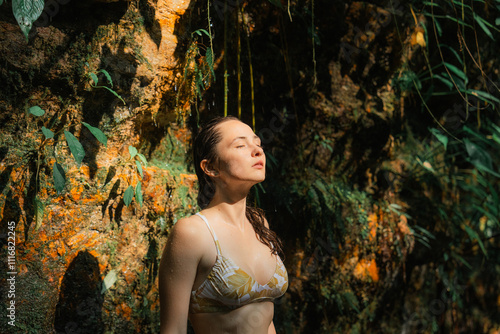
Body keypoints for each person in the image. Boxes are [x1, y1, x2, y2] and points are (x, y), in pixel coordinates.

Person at [159, 116, 288, 334]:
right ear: (210, 167)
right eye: (240, 145)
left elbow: (265, 319)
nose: (257, 151)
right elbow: (173, 329)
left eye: (258, 144)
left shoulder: (259, 225)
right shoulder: (193, 232)